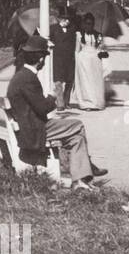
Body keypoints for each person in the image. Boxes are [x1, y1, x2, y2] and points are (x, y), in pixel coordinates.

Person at [6, 36, 108, 188]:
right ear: (40, 59)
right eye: (45, 57)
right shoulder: (28, 78)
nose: (45, 61)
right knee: (78, 125)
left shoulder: (20, 76)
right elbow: (43, 108)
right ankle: (84, 171)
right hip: (34, 130)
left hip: (28, 126)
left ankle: (80, 179)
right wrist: (53, 96)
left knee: (76, 139)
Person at [73, 13, 107, 110]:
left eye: (91, 24)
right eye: (87, 24)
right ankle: (87, 103)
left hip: (95, 59)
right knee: (85, 82)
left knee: (95, 81)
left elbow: (100, 48)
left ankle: (96, 102)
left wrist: (101, 46)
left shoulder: (98, 35)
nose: (89, 26)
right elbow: (77, 50)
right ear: (84, 24)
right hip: (83, 60)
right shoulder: (79, 35)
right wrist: (77, 61)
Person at [48, 10, 77, 109]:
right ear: (60, 19)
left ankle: (66, 101)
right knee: (58, 81)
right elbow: (47, 39)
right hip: (58, 58)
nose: (67, 21)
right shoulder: (53, 28)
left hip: (69, 59)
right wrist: (49, 43)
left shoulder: (72, 29)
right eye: (65, 19)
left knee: (69, 81)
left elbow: (74, 43)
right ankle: (60, 104)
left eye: (68, 19)